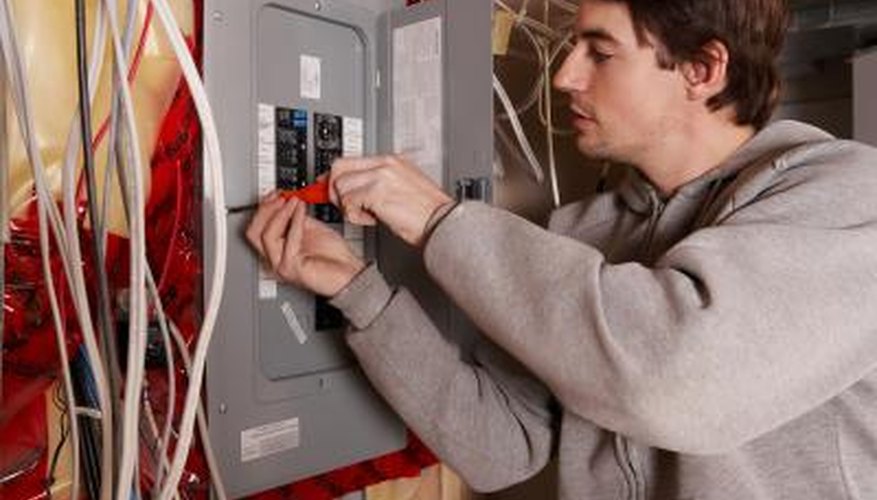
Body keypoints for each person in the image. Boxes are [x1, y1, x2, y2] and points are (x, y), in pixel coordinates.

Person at [246, 0, 877, 498]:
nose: (565, 76)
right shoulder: (583, 232)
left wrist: (440, 223)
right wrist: (356, 290)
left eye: (599, 52)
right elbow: (500, 446)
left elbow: (674, 380)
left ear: (701, 69)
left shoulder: (844, 194)